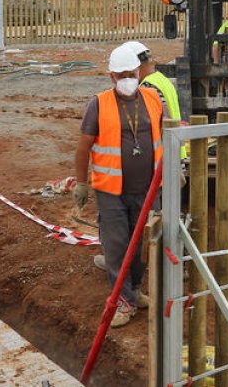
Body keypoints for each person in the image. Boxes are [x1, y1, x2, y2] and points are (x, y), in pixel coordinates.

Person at [72, 41, 164, 327]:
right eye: (120, 75)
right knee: (116, 246)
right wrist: (81, 183)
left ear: (139, 72)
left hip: (148, 190)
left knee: (142, 246)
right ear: (111, 77)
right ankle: (122, 301)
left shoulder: (152, 99)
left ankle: (134, 292)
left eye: (131, 74)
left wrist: (172, 169)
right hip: (111, 191)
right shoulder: (98, 104)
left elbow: (167, 135)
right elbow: (83, 148)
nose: (127, 80)